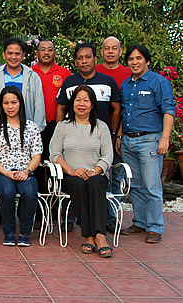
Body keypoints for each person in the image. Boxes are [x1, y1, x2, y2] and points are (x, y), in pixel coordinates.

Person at [118, 45, 175, 244]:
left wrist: (164, 139)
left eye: (139, 58)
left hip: (150, 140)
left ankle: (155, 227)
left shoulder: (159, 82)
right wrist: (119, 137)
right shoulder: (126, 84)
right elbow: (123, 113)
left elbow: (168, 110)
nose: (134, 62)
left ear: (147, 61)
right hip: (128, 140)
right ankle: (140, 222)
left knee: (152, 186)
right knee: (136, 186)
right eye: (131, 59)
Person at [50, 85, 114, 257]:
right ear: (72, 103)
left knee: (94, 183)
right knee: (78, 185)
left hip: (96, 173)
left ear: (92, 104)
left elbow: (108, 155)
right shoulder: (63, 126)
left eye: (86, 100)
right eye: (78, 100)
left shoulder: (101, 127)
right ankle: (88, 235)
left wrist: (95, 170)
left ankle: (100, 236)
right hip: (71, 175)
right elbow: (54, 153)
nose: (82, 104)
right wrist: (71, 171)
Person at [0, 86, 42, 246]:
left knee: (30, 193)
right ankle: (9, 232)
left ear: (20, 103)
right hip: (1, 172)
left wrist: (27, 171)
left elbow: (37, 155)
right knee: (8, 192)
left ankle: (25, 233)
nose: (10, 106)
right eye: (6, 103)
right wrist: (5, 172)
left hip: (25, 171)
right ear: (1, 105)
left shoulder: (31, 127)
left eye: (14, 102)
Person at [95, 36, 131, 232]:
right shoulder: (95, 71)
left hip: (117, 131)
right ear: (101, 52)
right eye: (107, 48)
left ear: (119, 51)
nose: (110, 51)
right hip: (96, 132)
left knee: (116, 174)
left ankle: (112, 218)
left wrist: (116, 133)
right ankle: (99, 216)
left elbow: (120, 108)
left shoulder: (128, 73)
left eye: (114, 48)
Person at [31, 40, 71, 194]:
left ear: (55, 52)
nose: (46, 53)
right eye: (42, 50)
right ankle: (38, 202)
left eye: (50, 49)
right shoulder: (29, 72)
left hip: (56, 125)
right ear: (37, 53)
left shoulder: (64, 73)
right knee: (36, 164)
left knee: (55, 163)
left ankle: (54, 203)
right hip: (33, 125)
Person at [0, 38, 45, 133]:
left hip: (26, 131)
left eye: (17, 54)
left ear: (23, 56)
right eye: (10, 53)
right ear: (4, 55)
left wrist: (36, 130)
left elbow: (39, 105)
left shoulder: (33, 77)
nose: (13, 57)